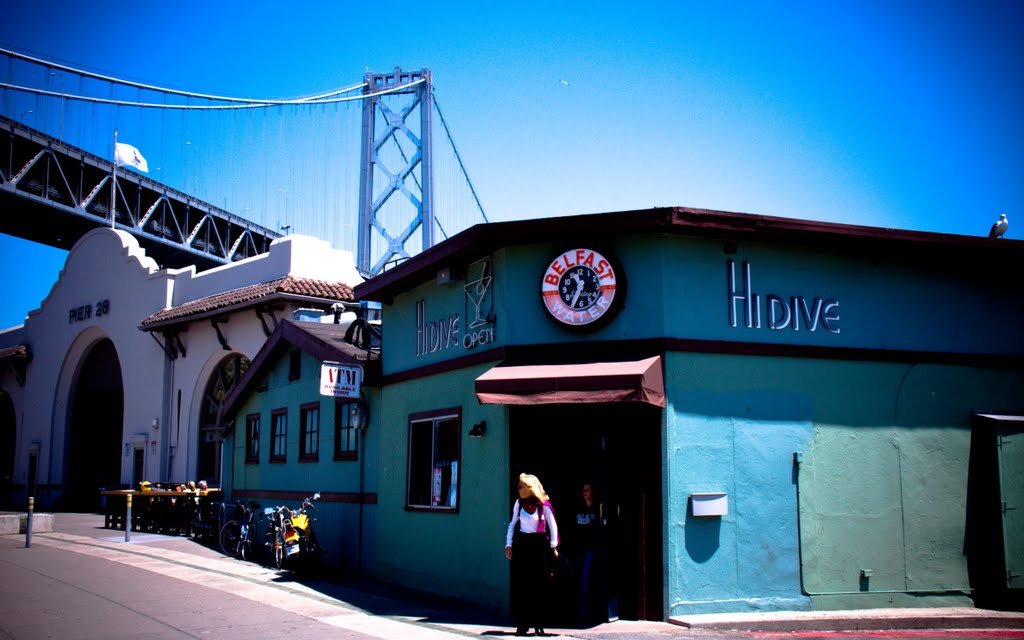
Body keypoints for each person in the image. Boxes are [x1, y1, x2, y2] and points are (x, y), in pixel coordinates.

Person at [505, 473, 560, 637]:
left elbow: (553, 527)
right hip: (523, 545)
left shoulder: (543, 506)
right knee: (523, 586)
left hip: (538, 546)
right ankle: (522, 625)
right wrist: (508, 544)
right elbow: (512, 524)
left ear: (529, 488)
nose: (518, 489)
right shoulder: (519, 504)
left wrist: (553, 547)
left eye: (521, 486)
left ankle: (539, 624)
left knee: (538, 586)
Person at [572, 482, 601, 623]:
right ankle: (580, 608)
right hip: (579, 548)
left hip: (591, 548)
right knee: (579, 578)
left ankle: (584, 611)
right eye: (583, 490)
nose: (585, 492)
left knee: (586, 578)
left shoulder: (597, 508)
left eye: (588, 490)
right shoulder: (578, 507)